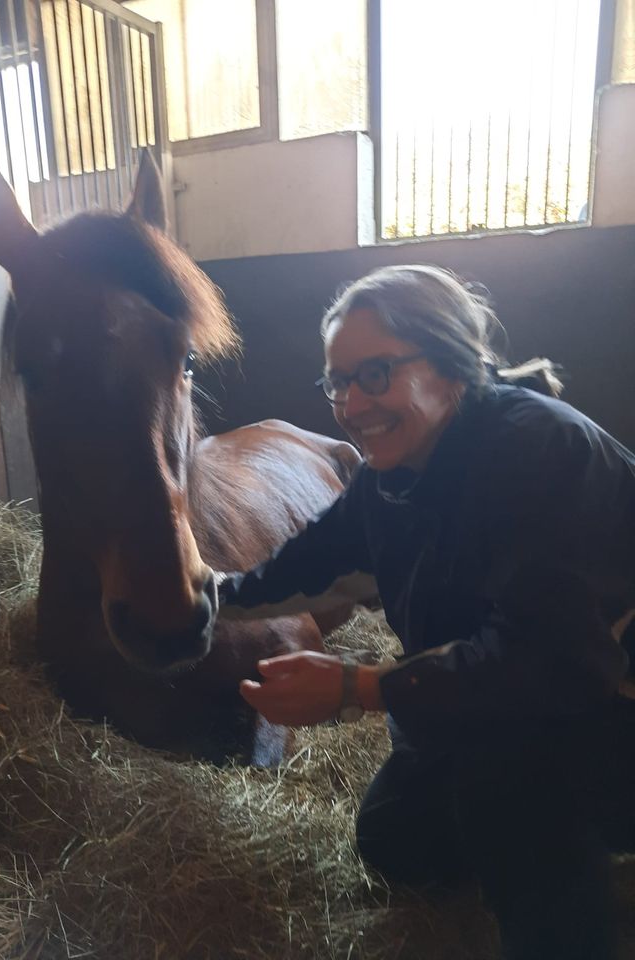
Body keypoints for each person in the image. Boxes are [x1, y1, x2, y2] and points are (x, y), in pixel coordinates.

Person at [215, 263, 635, 960]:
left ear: (448, 365)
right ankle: (550, 854)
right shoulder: (390, 474)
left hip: (605, 698)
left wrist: (357, 688)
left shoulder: (537, 449)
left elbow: (552, 663)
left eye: (374, 374)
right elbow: (312, 561)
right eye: (337, 383)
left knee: (501, 775)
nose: (351, 404)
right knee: (393, 838)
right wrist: (209, 598)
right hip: (523, 690)